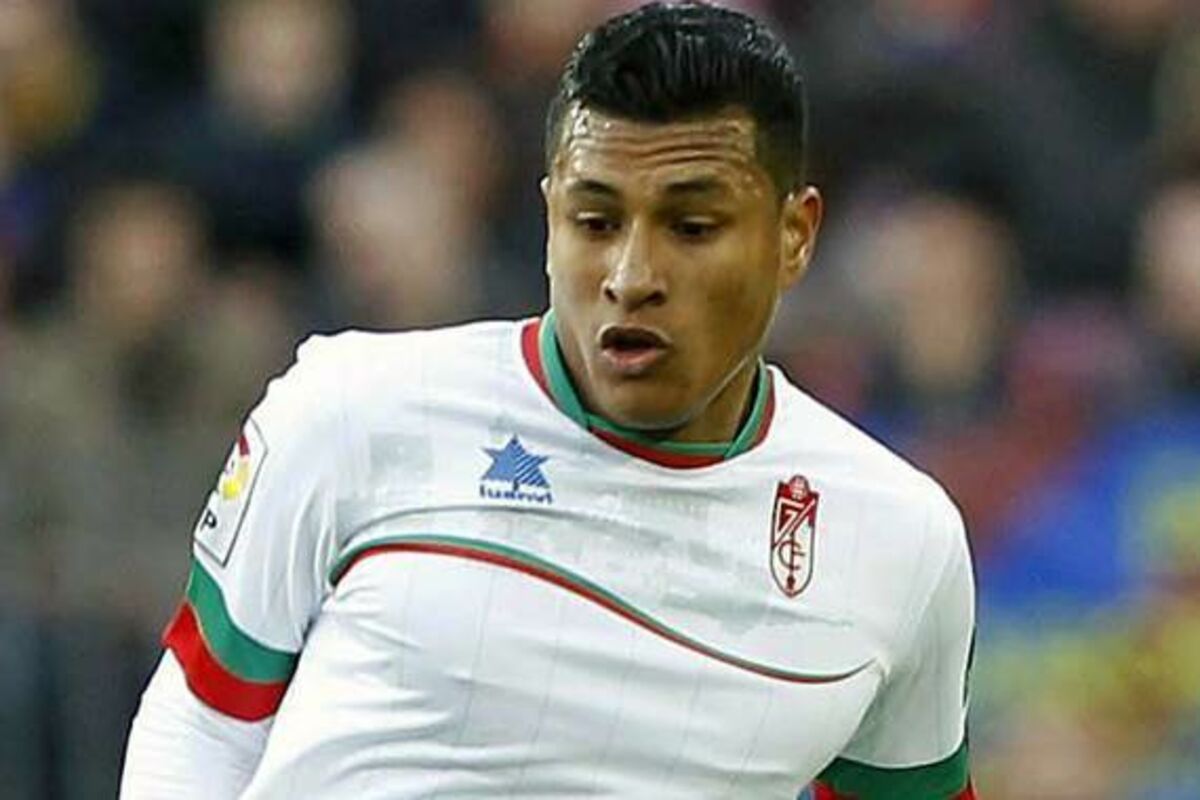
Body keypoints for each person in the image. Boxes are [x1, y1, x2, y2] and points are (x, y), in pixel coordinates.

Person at [120, 4, 977, 798]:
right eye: (595, 222)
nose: (631, 277)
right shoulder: (353, 409)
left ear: (794, 235)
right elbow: (201, 725)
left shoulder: (897, 539)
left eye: (691, 227)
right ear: (548, 216)